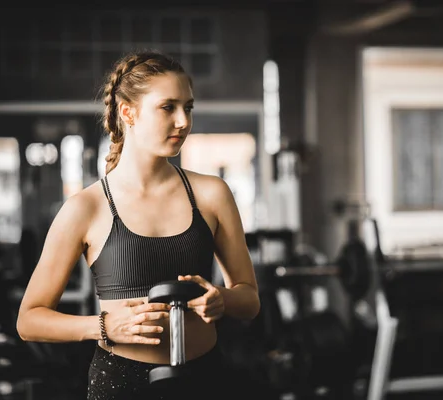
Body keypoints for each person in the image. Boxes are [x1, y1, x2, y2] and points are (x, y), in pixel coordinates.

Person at [16, 49, 261, 400]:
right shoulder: (86, 207)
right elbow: (29, 320)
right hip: (122, 383)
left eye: (188, 107)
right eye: (168, 107)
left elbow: (250, 299)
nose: (183, 121)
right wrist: (102, 326)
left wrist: (221, 299)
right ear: (128, 113)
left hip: (205, 377)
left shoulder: (212, 194)